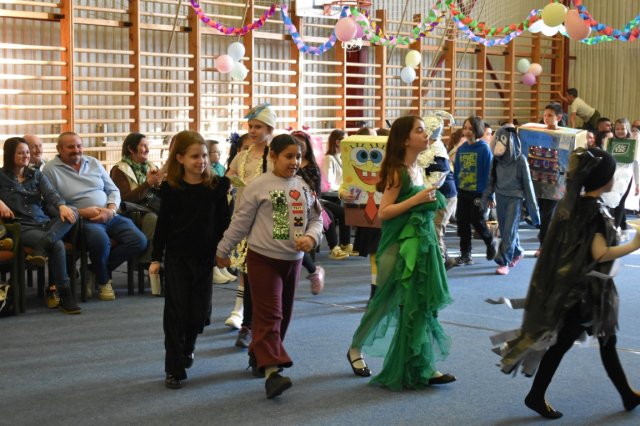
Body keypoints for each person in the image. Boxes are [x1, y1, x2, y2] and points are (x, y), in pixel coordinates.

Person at [495, 148, 640, 420]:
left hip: (582, 289)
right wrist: (634, 245)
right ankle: (536, 395)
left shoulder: (575, 205)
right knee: (569, 343)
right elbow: (600, 254)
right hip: (585, 294)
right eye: (612, 174)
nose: (615, 178)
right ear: (604, 179)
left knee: (604, 340)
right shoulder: (594, 211)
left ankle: (627, 395)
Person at [347, 115, 454, 390]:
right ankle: (355, 348)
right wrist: (417, 199)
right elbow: (384, 212)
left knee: (418, 303)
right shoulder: (397, 171)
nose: (426, 135)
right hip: (397, 246)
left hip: (418, 244)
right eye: (420, 131)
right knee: (384, 301)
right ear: (405, 139)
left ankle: (423, 366)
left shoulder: (417, 167)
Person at [216, 134, 323, 399]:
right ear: (273, 156)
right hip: (263, 260)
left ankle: (259, 356)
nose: (294, 162)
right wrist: (223, 249)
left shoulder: (303, 185)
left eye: (298, 156)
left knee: (283, 316)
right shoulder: (258, 186)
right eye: (288, 156)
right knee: (270, 315)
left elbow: (316, 219)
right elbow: (240, 222)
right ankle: (273, 373)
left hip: (292, 262)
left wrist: (311, 237)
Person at [149, 130, 231, 390]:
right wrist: (156, 257)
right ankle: (173, 368)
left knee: (199, 313)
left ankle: (189, 345)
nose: (201, 161)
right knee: (176, 313)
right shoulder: (172, 188)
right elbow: (163, 225)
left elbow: (223, 222)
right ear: (180, 158)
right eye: (195, 156)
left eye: (204, 155)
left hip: (204, 258)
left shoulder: (217, 187)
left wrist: (224, 250)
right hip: (178, 257)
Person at [43, 132, 147, 301]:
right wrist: (83, 212)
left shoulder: (93, 162)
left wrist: (111, 210)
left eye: (79, 146)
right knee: (100, 241)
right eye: (70, 147)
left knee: (139, 241)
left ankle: (94, 270)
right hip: (81, 220)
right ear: (59, 149)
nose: (76, 150)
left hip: (109, 214)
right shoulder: (50, 170)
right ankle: (103, 281)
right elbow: (51, 206)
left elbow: (113, 190)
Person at [0, 137, 80, 313]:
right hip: (22, 227)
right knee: (57, 245)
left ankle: (41, 248)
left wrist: (62, 206)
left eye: (27, 152)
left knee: (73, 210)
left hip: (44, 223)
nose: (26, 156)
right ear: (10, 155)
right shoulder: (1, 176)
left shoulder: (36, 174)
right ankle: (65, 295)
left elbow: (51, 194)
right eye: (20, 153)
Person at [225, 104, 276, 346]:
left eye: (258, 127)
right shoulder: (243, 155)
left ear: (270, 129)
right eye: (251, 127)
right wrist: (233, 182)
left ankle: (266, 325)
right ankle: (247, 325)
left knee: (268, 277)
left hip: (269, 222)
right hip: (245, 219)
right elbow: (229, 176)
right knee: (247, 271)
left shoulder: (276, 156)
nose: (253, 131)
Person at [482, 126, 539, 275]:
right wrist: (487, 197)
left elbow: (528, 185)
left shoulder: (520, 160)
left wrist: (534, 212)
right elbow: (491, 180)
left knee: (508, 231)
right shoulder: (496, 160)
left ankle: (504, 261)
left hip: (515, 198)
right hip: (500, 196)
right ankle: (517, 251)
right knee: (507, 229)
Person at [110, 132, 164, 268]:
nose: (148, 149)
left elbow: (161, 195)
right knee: (153, 219)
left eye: (147, 145)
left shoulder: (151, 166)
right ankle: (147, 261)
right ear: (130, 148)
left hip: (151, 208)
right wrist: (148, 184)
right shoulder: (119, 170)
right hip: (130, 213)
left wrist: (159, 185)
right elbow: (125, 199)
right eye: (143, 146)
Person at [453, 116, 498, 265]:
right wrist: (457, 188)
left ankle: (490, 241)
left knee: (476, 221)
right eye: (465, 128)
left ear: (477, 130)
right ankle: (466, 254)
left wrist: (490, 195)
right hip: (463, 192)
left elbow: (490, 173)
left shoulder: (484, 149)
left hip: (479, 193)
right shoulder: (461, 149)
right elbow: (457, 170)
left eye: (470, 129)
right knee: (462, 222)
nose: (467, 131)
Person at [418, 111, 457, 270]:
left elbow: (436, 180)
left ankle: (439, 264)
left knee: (436, 229)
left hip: (445, 196)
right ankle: (446, 259)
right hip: (435, 194)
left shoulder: (438, 152)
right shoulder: (428, 147)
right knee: (432, 228)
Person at [321, 129, 355, 255]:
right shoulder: (329, 158)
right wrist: (342, 189)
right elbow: (328, 182)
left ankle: (346, 244)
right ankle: (337, 246)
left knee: (347, 211)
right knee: (341, 212)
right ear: (337, 142)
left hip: (339, 194)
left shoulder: (342, 158)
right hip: (330, 196)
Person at [602, 118, 640, 230]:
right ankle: (622, 225)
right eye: (617, 129)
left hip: (626, 178)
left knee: (620, 202)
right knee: (611, 202)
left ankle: (615, 229)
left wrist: (637, 183)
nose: (620, 131)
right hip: (611, 176)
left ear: (627, 129)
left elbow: (636, 164)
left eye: (622, 128)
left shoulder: (633, 143)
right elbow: (605, 157)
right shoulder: (610, 141)